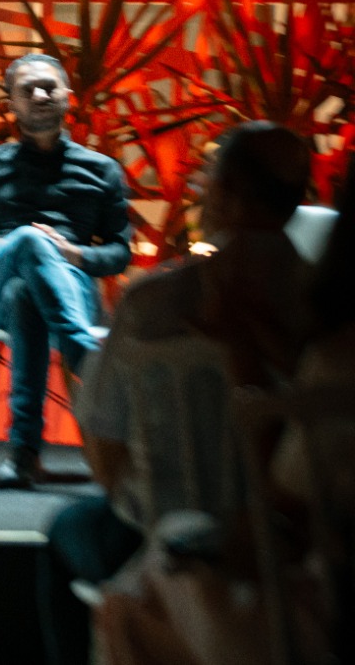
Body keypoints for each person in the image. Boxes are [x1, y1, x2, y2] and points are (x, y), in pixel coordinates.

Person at [43, 121, 315, 665]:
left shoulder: (152, 301)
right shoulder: (326, 306)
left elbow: (105, 448)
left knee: (65, 534)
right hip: (299, 540)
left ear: (225, 194)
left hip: (159, 535)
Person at [0, 52, 132, 489]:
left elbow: (119, 253)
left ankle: (23, 454)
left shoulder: (100, 170)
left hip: (69, 288)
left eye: (49, 87)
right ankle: (84, 354)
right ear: (11, 102)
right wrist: (13, 244)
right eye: (28, 90)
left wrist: (75, 255)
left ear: (67, 95)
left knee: (24, 294)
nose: (41, 95)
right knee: (29, 242)